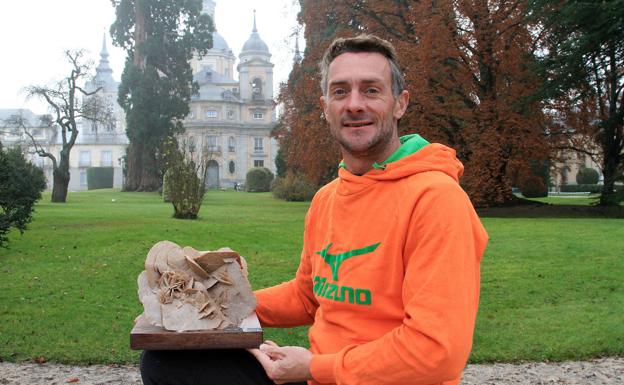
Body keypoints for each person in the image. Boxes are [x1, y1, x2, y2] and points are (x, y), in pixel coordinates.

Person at [140, 34, 488, 385]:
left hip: (364, 377)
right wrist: (214, 300)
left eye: (371, 90)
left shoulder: (436, 199)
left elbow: (436, 352)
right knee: (164, 362)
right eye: (340, 92)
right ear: (325, 107)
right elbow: (308, 296)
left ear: (400, 103)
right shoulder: (328, 197)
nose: (354, 104)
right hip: (321, 374)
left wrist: (313, 367)